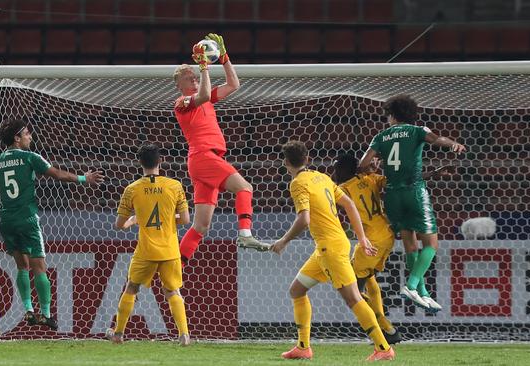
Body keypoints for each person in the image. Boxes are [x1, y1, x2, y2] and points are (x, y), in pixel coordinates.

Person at [0, 118, 104, 330]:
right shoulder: (30, 157)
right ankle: (46, 314)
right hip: (28, 219)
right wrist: (84, 179)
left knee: (22, 266)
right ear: (17, 138)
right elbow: (57, 174)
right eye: (27, 133)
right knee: (39, 267)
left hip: (6, 221)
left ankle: (28, 310)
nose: (30, 137)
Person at [271, 141, 395, 362]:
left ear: (286, 162)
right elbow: (349, 204)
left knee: (353, 299)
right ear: (307, 158)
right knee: (297, 290)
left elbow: (303, 219)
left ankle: (383, 348)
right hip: (327, 247)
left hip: (331, 249)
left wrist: (284, 240)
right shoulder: (322, 177)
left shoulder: (298, 183)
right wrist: (362, 237)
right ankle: (303, 347)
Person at [359, 94, 466, 310]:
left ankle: (422, 292)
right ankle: (411, 284)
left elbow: (363, 164)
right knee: (432, 244)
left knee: (410, 243)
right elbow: (437, 140)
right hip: (414, 192)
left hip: (392, 195)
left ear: (392, 115)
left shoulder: (381, 136)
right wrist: (453, 144)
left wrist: (379, 164)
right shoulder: (418, 130)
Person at [332, 153, 454, 341]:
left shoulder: (341, 189)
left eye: (336, 168)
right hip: (386, 235)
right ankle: (386, 330)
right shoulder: (371, 178)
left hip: (371, 241)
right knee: (368, 279)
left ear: (342, 170)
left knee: (351, 293)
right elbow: (403, 181)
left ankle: (385, 331)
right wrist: (433, 173)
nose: (334, 172)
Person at [173, 33, 270, 265]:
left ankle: (175, 266)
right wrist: (205, 67)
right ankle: (245, 234)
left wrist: (224, 58)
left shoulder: (204, 99)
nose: (194, 78)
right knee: (244, 187)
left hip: (205, 161)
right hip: (203, 157)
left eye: (195, 75)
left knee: (201, 226)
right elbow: (204, 93)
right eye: (189, 77)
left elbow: (234, 85)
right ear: (179, 85)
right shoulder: (181, 103)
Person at [106, 144, 192, 346]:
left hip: (146, 250)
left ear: (140, 163)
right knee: (173, 291)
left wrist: (135, 220)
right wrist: (169, 218)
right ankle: (184, 335)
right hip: (170, 249)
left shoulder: (132, 189)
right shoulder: (175, 185)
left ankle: (118, 334)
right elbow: (186, 219)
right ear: (160, 161)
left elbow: (119, 224)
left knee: (132, 287)